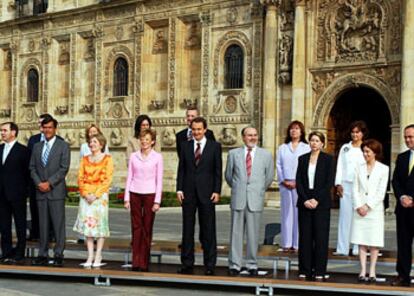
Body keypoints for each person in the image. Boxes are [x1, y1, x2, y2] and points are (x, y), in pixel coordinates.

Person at [225, 127, 274, 276]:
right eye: (249, 135)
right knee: (236, 233)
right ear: (243, 137)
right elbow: (228, 175)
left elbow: (269, 177)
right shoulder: (233, 154)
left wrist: (258, 189)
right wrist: (239, 187)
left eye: (255, 135)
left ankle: (252, 264)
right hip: (238, 197)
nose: (253, 138)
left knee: (253, 234)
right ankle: (235, 264)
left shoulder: (266, 155)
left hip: (255, 198)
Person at [176, 117, 222, 276]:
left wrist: (217, 191)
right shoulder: (185, 146)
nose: (196, 132)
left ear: (205, 130)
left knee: (208, 229)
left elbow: (217, 171)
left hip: (207, 193)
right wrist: (179, 189)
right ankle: (187, 263)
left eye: (199, 129)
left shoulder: (214, 146)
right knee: (187, 229)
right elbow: (181, 169)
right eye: (194, 129)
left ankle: (209, 264)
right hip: (188, 193)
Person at [30, 116, 70, 267]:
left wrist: (49, 183)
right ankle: (43, 254)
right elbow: (32, 168)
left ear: (55, 129)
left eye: (50, 127)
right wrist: (39, 183)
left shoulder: (63, 146)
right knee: (43, 225)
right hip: (40, 191)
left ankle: (59, 254)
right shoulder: (37, 147)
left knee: (58, 224)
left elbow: (64, 168)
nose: (47, 130)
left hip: (56, 191)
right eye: (44, 127)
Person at [296, 131, 334, 281]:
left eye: (317, 141)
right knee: (305, 237)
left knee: (320, 237)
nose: (314, 143)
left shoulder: (328, 160)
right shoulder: (302, 159)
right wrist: (305, 199)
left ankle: (319, 270)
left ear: (322, 143)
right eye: (312, 140)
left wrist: (316, 199)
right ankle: (305, 269)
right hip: (305, 201)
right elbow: (299, 180)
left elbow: (328, 182)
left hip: (321, 202)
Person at [124, 129, 163, 272]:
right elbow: (129, 177)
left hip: (150, 194)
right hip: (135, 192)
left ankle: (144, 262)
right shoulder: (134, 156)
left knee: (147, 228)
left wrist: (157, 201)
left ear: (152, 141)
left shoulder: (157, 157)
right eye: (142, 139)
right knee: (136, 228)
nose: (144, 142)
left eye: (147, 139)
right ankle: (136, 261)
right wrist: (126, 197)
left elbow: (159, 180)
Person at [350, 139, 389, 283]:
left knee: (373, 241)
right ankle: (362, 270)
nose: (365, 154)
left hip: (374, 210)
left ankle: (372, 270)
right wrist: (359, 205)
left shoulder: (383, 169)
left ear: (375, 153)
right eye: (364, 151)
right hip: (359, 209)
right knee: (361, 241)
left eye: (367, 151)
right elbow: (354, 189)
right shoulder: (358, 167)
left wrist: (368, 206)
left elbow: (381, 192)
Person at [74, 134, 113, 268]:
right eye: (90, 142)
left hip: (99, 197)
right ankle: (90, 254)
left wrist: (96, 195)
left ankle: (98, 254)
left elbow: (107, 179)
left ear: (101, 144)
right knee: (88, 228)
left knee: (100, 227)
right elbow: (80, 177)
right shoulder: (85, 159)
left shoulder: (107, 159)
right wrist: (85, 193)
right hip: (86, 197)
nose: (92, 144)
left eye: (95, 142)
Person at [27, 113, 63, 241]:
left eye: (46, 124)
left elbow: (62, 166)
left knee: (53, 213)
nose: (43, 127)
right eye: (41, 124)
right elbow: (30, 162)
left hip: (53, 185)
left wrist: (49, 182)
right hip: (35, 183)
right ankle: (35, 233)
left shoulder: (60, 141)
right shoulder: (33, 140)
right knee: (35, 210)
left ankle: (52, 235)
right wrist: (37, 181)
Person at [334, 121, 368, 256]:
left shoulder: (366, 148)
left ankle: (357, 248)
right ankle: (342, 248)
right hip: (346, 185)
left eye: (357, 132)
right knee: (345, 217)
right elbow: (340, 166)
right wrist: (338, 184)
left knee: (359, 217)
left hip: (360, 186)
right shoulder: (345, 148)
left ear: (362, 133)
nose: (355, 134)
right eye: (353, 132)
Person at [276, 120, 310, 252]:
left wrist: (298, 182)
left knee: (299, 214)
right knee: (287, 214)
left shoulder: (306, 148)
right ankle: (286, 242)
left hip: (299, 184)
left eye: (296, 129)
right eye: (291, 129)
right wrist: (284, 180)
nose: (294, 131)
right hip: (285, 184)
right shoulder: (283, 148)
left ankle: (297, 243)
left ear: (301, 132)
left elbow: (307, 166)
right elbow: (278, 165)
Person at [0, 122, 30, 264]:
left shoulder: (23, 151)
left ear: (13, 132)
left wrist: (25, 192)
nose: (2, 133)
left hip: (17, 194)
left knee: (20, 224)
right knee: (4, 225)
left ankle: (19, 252)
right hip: (1, 194)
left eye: (5, 130)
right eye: (1, 131)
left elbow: (27, 174)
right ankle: (6, 251)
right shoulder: (0, 149)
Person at [391, 124, 414, 287]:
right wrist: (402, 197)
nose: (407, 140)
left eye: (411, 137)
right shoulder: (402, 157)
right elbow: (396, 181)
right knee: (403, 243)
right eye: (406, 137)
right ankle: (403, 275)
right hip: (403, 208)